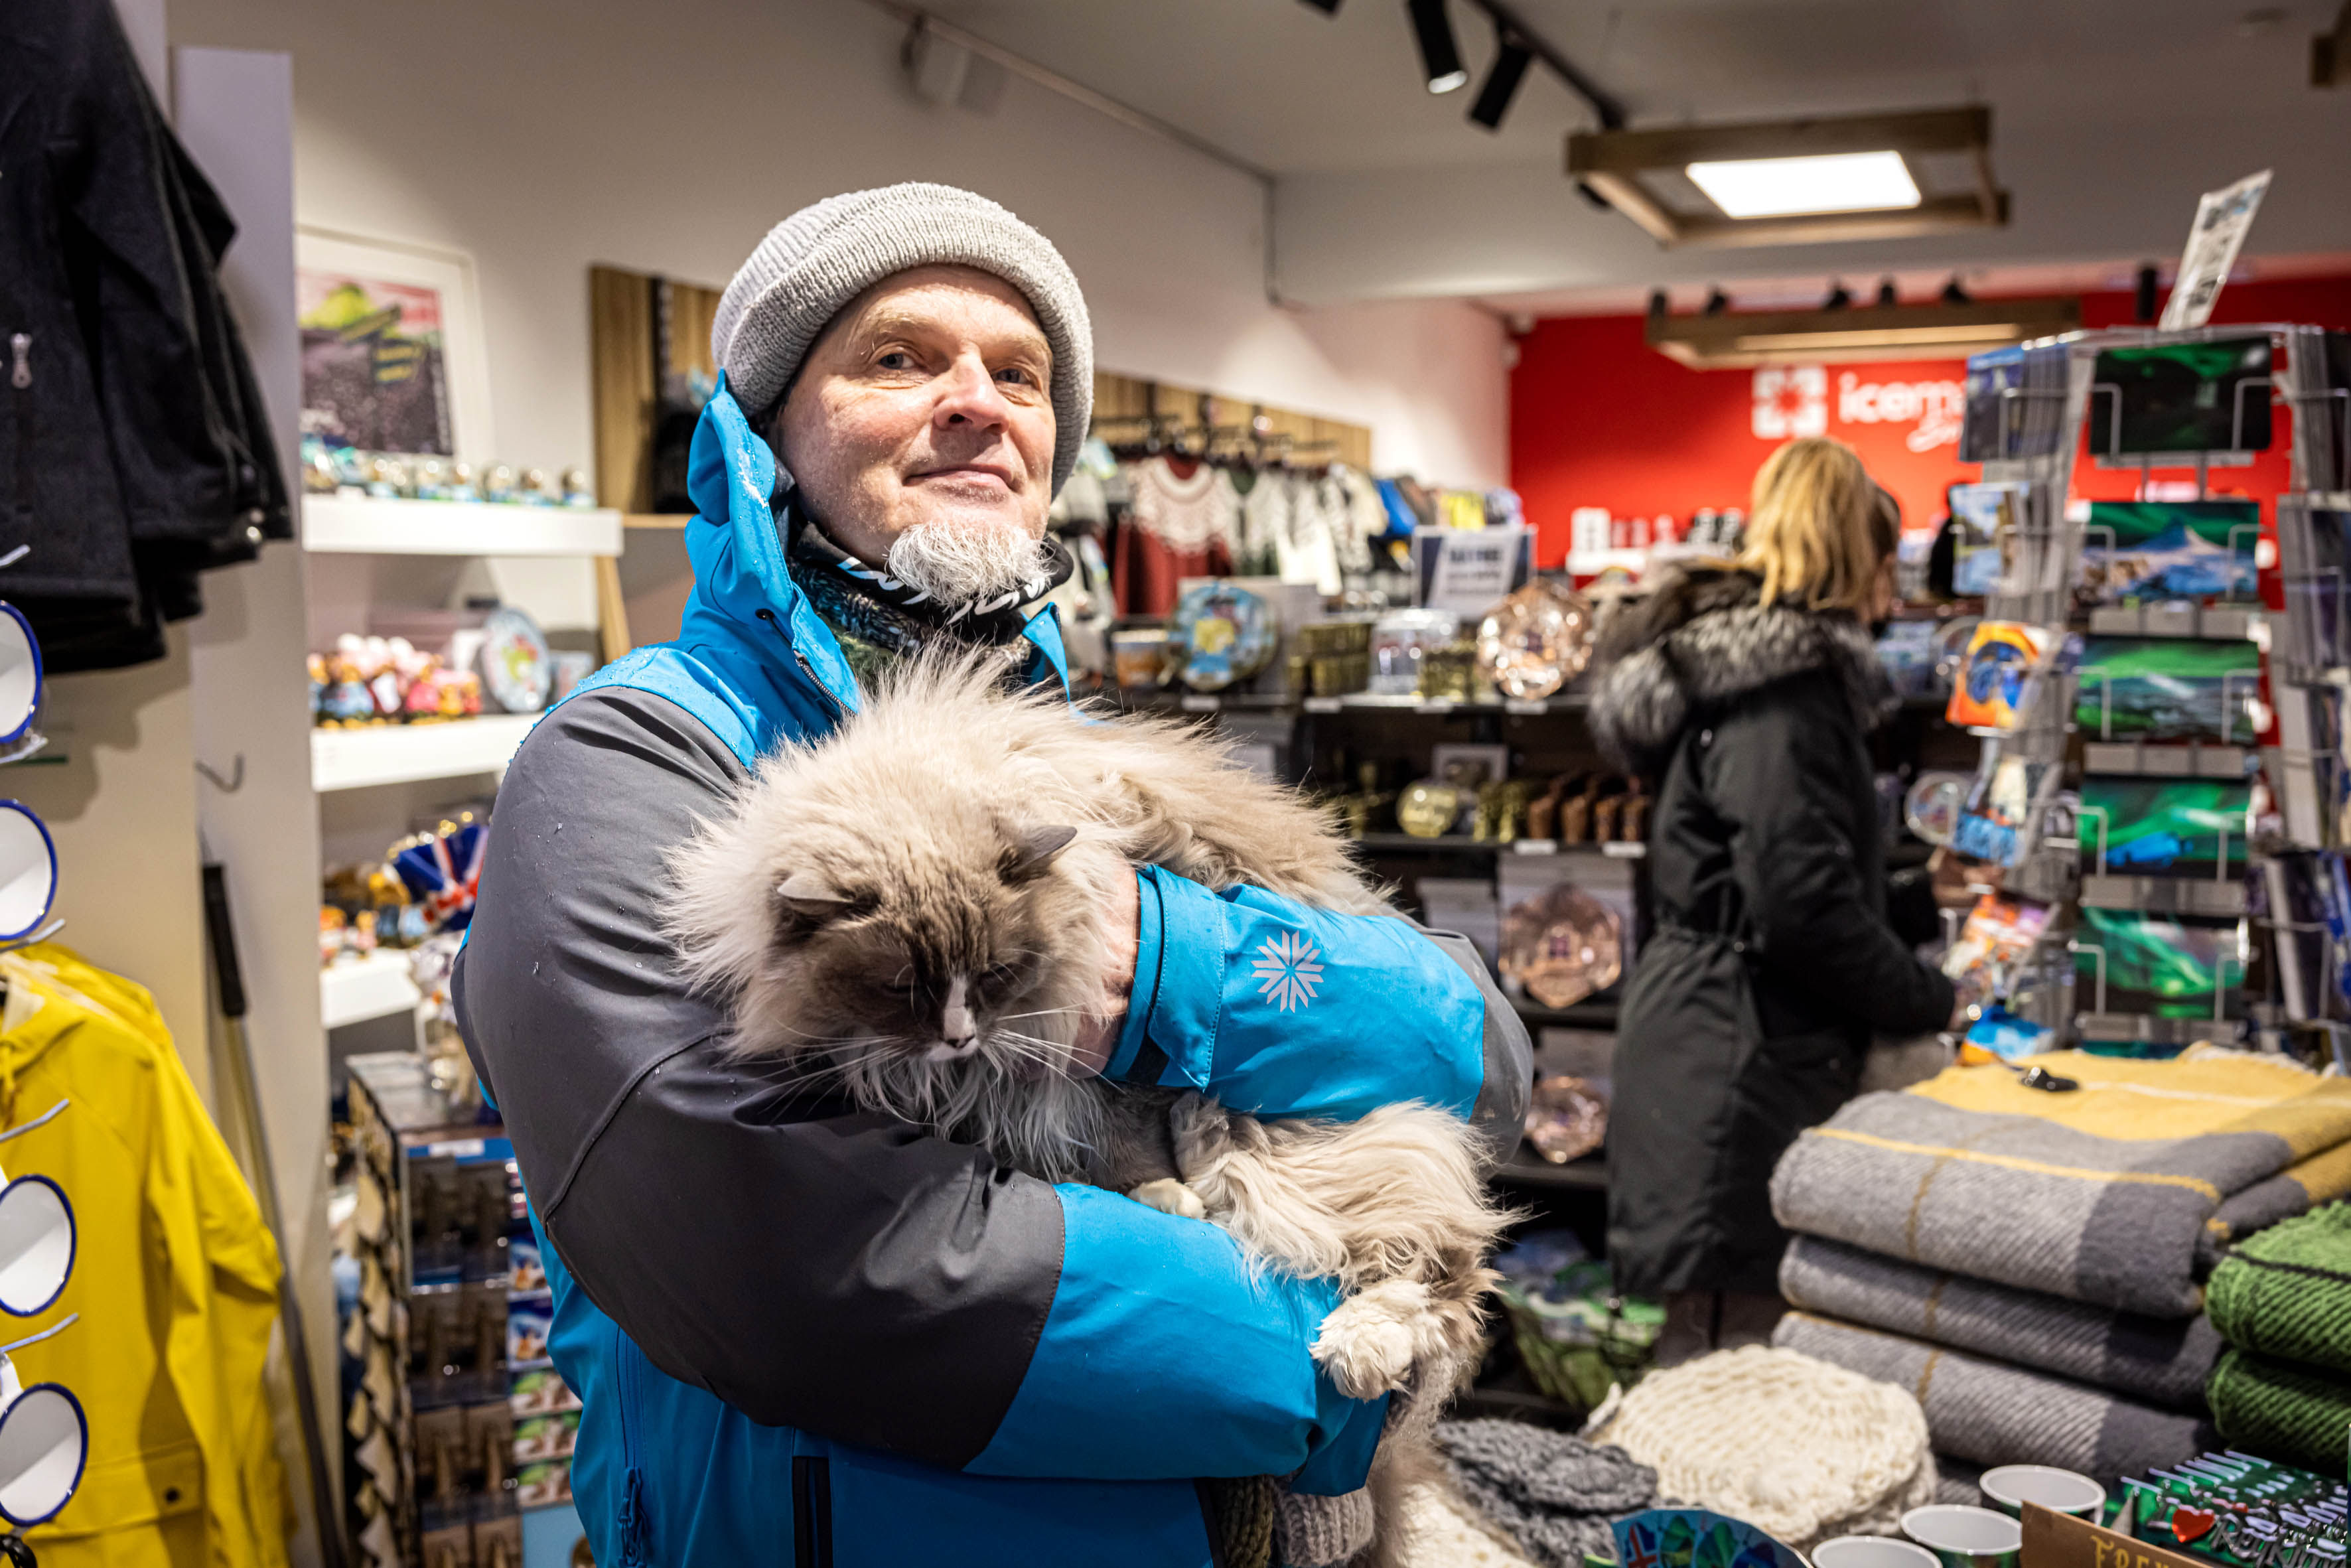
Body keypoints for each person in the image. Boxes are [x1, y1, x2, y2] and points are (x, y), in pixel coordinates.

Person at [452, 182, 1529, 1567]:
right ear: (765, 424)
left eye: (1021, 375)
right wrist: (1329, 1374)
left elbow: (1477, 1057)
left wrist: (1160, 970)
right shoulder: (631, 761)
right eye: (897, 358)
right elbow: (809, 1272)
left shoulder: (1099, 759)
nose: (977, 402)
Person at [1589, 435, 1959, 1367]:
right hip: (1736, 1058)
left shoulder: (1756, 683)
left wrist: (1913, 901)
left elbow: (1767, 875)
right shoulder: (1784, 694)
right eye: (1887, 561)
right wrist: (1929, 1001)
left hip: (1726, 1035)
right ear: (1855, 557)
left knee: (1719, 1349)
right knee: (1726, 1363)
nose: (1894, 588)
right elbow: (1798, 907)